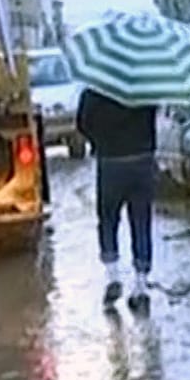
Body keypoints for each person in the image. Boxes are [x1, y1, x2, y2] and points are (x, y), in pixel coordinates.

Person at [76, 88, 159, 307]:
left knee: (108, 218)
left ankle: (113, 275)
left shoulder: (96, 89)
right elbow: (152, 114)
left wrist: (100, 141)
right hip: (143, 160)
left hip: (111, 161)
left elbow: (82, 124)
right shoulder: (146, 85)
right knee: (141, 221)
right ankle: (141, 286)